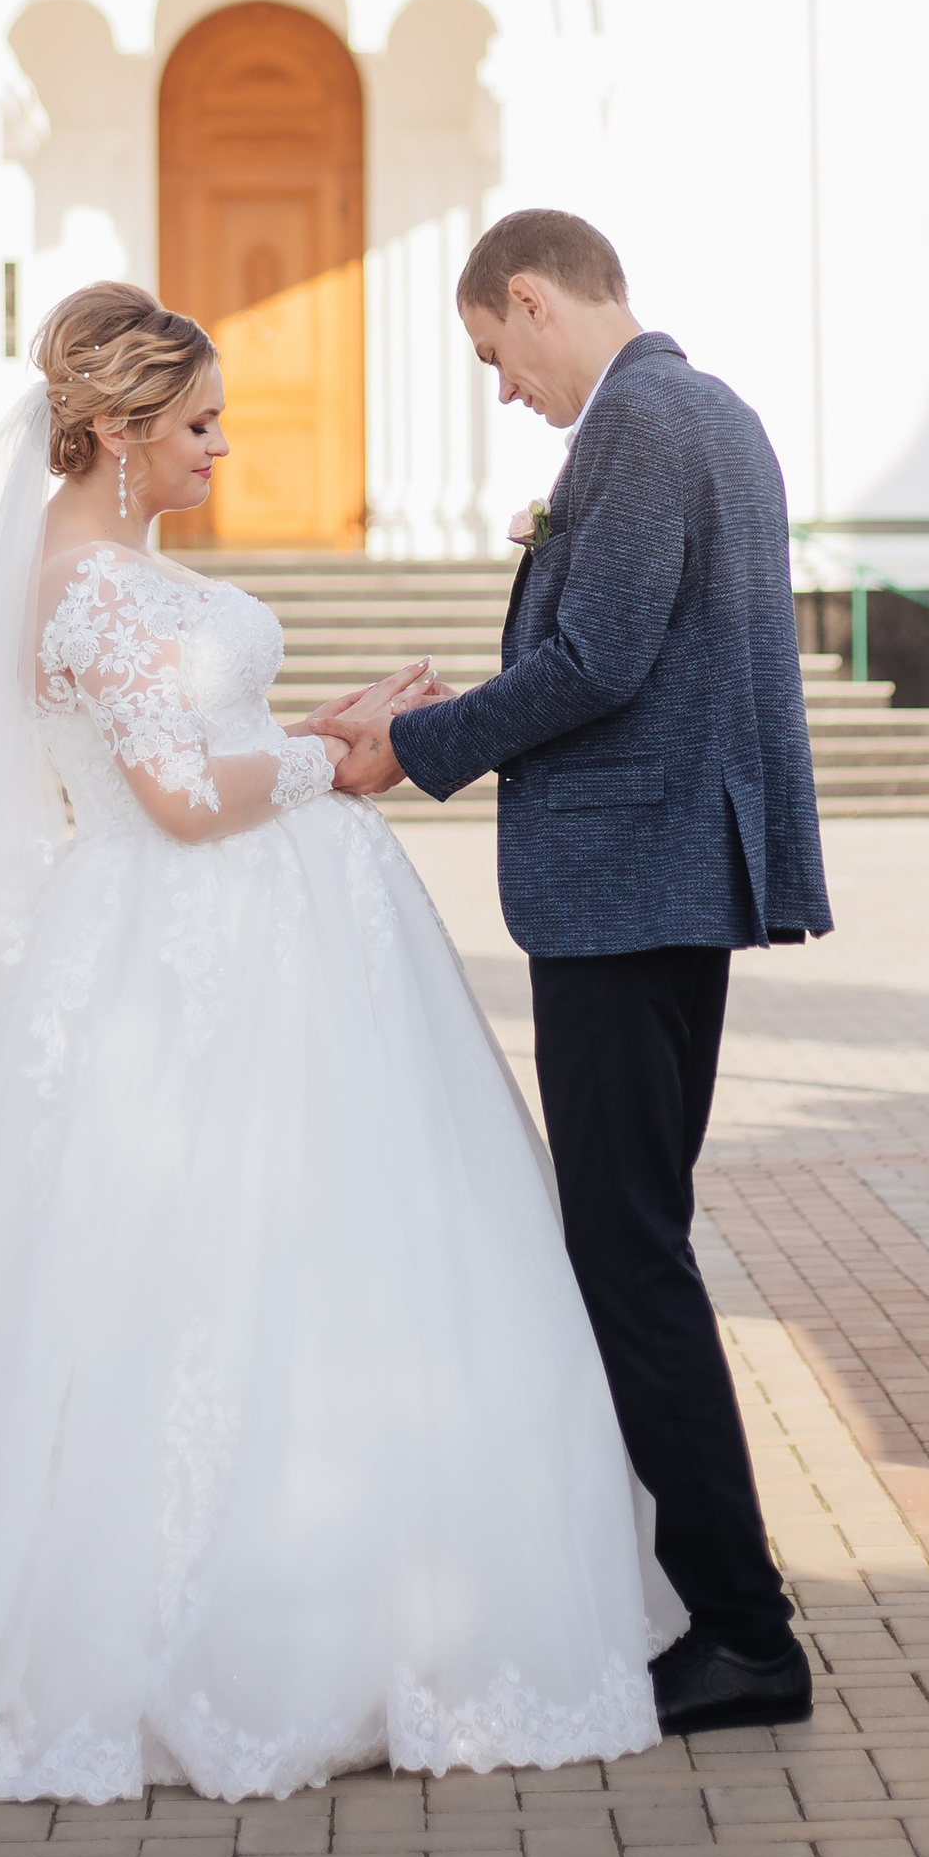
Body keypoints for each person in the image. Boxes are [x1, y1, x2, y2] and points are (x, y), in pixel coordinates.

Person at [0, 280, 677, 1809]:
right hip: (190, 952)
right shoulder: (95, 589)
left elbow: (187, 750)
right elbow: (180, 803)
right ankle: (229, 1634)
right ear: (121, 430)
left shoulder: (107, 570)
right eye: (199, 423)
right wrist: (336, 760)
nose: (224, 448)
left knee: (269, 1265)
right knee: (210, 1274)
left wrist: (316, 719)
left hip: (218, 937)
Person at [321, 211, 829, 1738]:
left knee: (626, 1254)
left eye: (493, 352)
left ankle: (743, 1630)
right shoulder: (700, 412)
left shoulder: (648, 428)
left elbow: (600, 661)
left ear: (531, 300)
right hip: (666, 882)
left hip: (630, 893)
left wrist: (413, 748)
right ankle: (723, 1608)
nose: (500, 389)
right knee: (638, 1239)